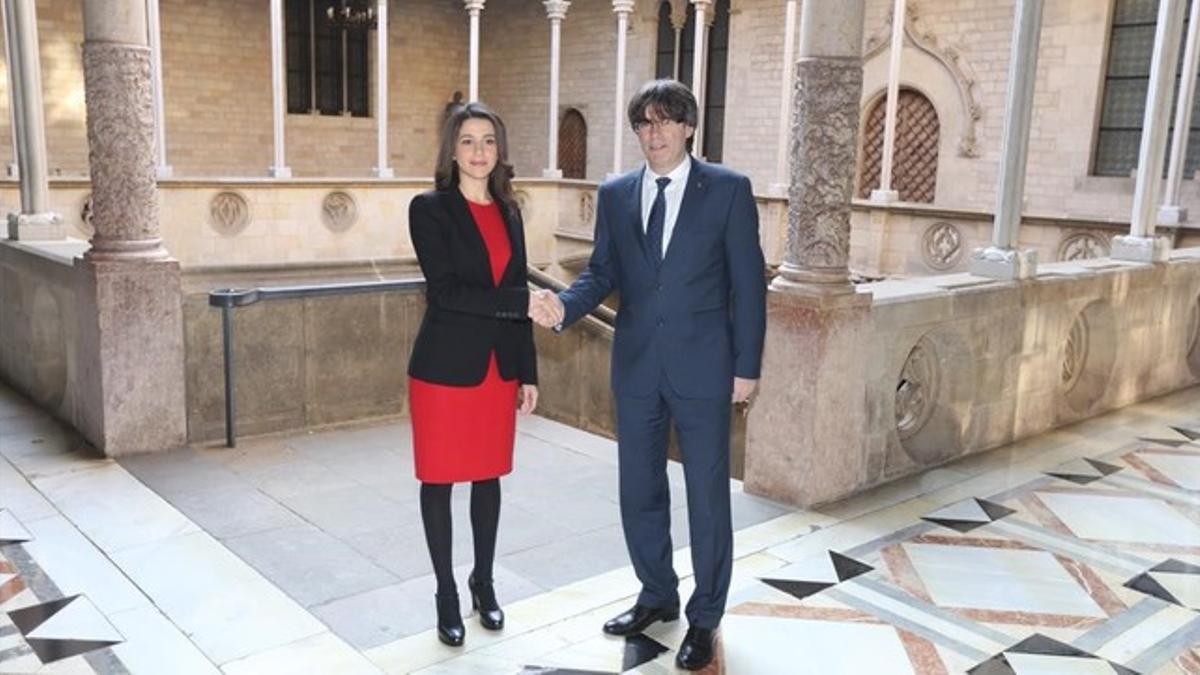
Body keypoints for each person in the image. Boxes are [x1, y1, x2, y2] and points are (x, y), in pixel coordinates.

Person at [529, 79, 766, 671]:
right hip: (636, 367)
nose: (653, 134)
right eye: (644, 124)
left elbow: (748, 285)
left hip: (706, 369)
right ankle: (657, 593)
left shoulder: (729, 190)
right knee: (639, 490)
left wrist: (747, 368)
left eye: (664, 122)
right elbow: (602, 270)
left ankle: (705, 616)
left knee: (708, 498)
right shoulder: (615, 193)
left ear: (688, 128)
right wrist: (565, 307)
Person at [408, 101, 544, 647]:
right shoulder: (429, 209)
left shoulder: (510, 212)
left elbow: (515, 296)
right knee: (439, 481)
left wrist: (528, 371)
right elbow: (446, 293)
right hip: (444, 372)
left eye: (488, 141)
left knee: (488, 478)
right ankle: (445, 594)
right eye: (468, 140)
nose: (479, 151)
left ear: (500, 150)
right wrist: (525, 301)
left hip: (497, 371)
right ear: (452, 148)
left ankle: (483, 583)